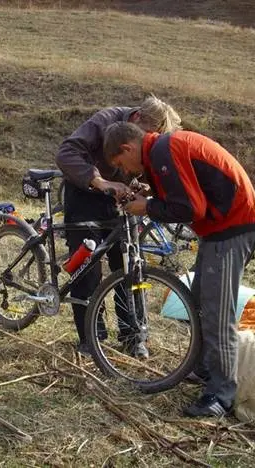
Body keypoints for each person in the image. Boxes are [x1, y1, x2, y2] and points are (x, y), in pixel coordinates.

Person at [102, 122, 255, 418]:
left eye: (121, 164)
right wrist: (150, 192)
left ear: (127, 148)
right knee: (200, 299)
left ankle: (221, 394)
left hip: (232, 229)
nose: (125, 172)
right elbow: (185, 191)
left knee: (217, 313)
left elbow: (190, 209)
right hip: (219, 230)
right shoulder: (160, 152)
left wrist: (147, 208)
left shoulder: (165, 151)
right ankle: (203, 370)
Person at [55, 95, 182, 358]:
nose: (147, 146)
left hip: (122, 200)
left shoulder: (148, 136)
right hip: (86, 195)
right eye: (145, 138)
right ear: (136, 120)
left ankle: (133, 336)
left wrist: (147, 186)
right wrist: (99, 182)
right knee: (87, 267)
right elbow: (66, 153)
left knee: (130, 264)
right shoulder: (104, 121)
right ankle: (91, 338)